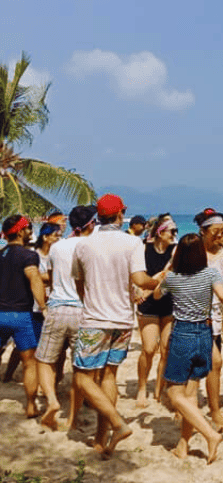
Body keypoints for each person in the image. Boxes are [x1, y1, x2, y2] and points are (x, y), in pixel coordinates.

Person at [71, 194, 161, 456]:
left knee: (83, 377)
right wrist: (158, 282)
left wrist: (89, 301)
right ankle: (101, 439)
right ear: (121, 214)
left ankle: (117, 423)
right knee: (109, 376)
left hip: (95, 318)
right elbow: (139, 279)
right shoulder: (133, 242)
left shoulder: (84, 245)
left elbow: (80, 283)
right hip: (123, 318)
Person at [154, 233, 223, 464]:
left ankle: (209, 434)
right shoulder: (211, 274)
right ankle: (183, 445)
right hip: (205, 334)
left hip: (183, 334)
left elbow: (157, 295)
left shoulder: (173, 278)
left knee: (174, 393)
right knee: (190, 395)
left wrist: (163, 276)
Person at [36, 205, 96, 431]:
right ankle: (74, 415)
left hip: (57, 308)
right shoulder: (91, 247)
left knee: (45, 360)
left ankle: (51, 401)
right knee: (80, 368)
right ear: (91, 224)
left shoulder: (56, 247)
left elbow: (51, 279)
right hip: (83, 311)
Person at [193, 209, 223, 431]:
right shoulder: (189, 251)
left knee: (215, 364)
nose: (221, 236)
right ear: (203, 231)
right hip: (187, 317)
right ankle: (188, 408)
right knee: (190, 365)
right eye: (216, 232)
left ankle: (215, 410)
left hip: (212, 319)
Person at [0, 215, 47, 418]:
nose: (30, 231)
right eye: (28, 228)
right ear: (20, 232)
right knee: (30, 363)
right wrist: (44, 305)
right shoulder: (28, 256)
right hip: (21, 317)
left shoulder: (1, 253)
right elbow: (34, 278)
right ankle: (30, 406)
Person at [135, 214, 177, 407]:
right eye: (172, 231)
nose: (175, 234)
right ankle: (142, 387)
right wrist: (138, 291)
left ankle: (159, 389)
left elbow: (166, 274)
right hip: (148, 307)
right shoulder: (144, 249)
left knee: (166, 350)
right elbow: (136, 275)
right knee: (149, 349)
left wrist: (147, 291)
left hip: (168, 304)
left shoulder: (175, 251)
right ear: (160, 232)